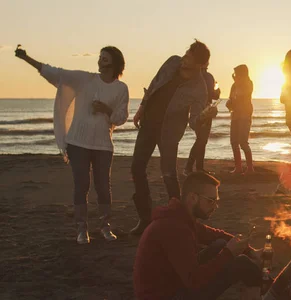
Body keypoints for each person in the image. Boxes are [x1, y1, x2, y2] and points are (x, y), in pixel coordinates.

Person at [15, 45, 129, 244]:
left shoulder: (121, 88)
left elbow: (121, 118)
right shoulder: (85, 79)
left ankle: (104, 226)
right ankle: (81, 229)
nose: (100, 61)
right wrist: (27, 59)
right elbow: (56, 74)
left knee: (103, 186)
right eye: (100, 58)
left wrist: (105, 108)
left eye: (105, 58)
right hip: (77, 142)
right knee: (81, 184)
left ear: (114, 62)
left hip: (103, 144)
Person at [129, 40, 214, 236]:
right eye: (186, 53)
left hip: (169, 132)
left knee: (168, 175)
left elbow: (194, 121)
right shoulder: (172, 62)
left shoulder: (199, 87)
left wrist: (203, 116)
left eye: (190, 57)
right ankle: (144, 218)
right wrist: (142, 107)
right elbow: (154, 83)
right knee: (137, 167)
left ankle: (181, 221)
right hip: (149, 123)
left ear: (200, 64)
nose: (184, 58)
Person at [133, 171, 263, 300]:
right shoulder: (174, 228)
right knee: (241, 264)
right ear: (193, 198)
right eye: (210, 201)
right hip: (167, 295)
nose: (215, 206)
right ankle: (272, 292)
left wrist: (251, 252)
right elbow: (194, 280)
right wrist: (229, 253)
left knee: (220, 244)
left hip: (174, 283)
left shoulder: (180, 217)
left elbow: (215, 235)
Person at [184, 63, 221, 176]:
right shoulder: (208, 77)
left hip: (195, 110)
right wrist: (218, 91)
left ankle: (198, 167)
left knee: (201, 139)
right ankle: (190, 167)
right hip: (205, 110)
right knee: (201, 140)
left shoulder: (193, 77)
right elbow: (213, 95)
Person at [226, 64, 254, 174]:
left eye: (236, 73)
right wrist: (229, 103)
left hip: (245, 115)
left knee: (243, 142)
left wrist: (237, 83)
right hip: (235, 115)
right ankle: (238, 167)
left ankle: (250, 167)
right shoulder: (234, 85)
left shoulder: (248, 83)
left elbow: (243, 95)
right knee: (234, 142)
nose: (234, 76)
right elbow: (232, 98)